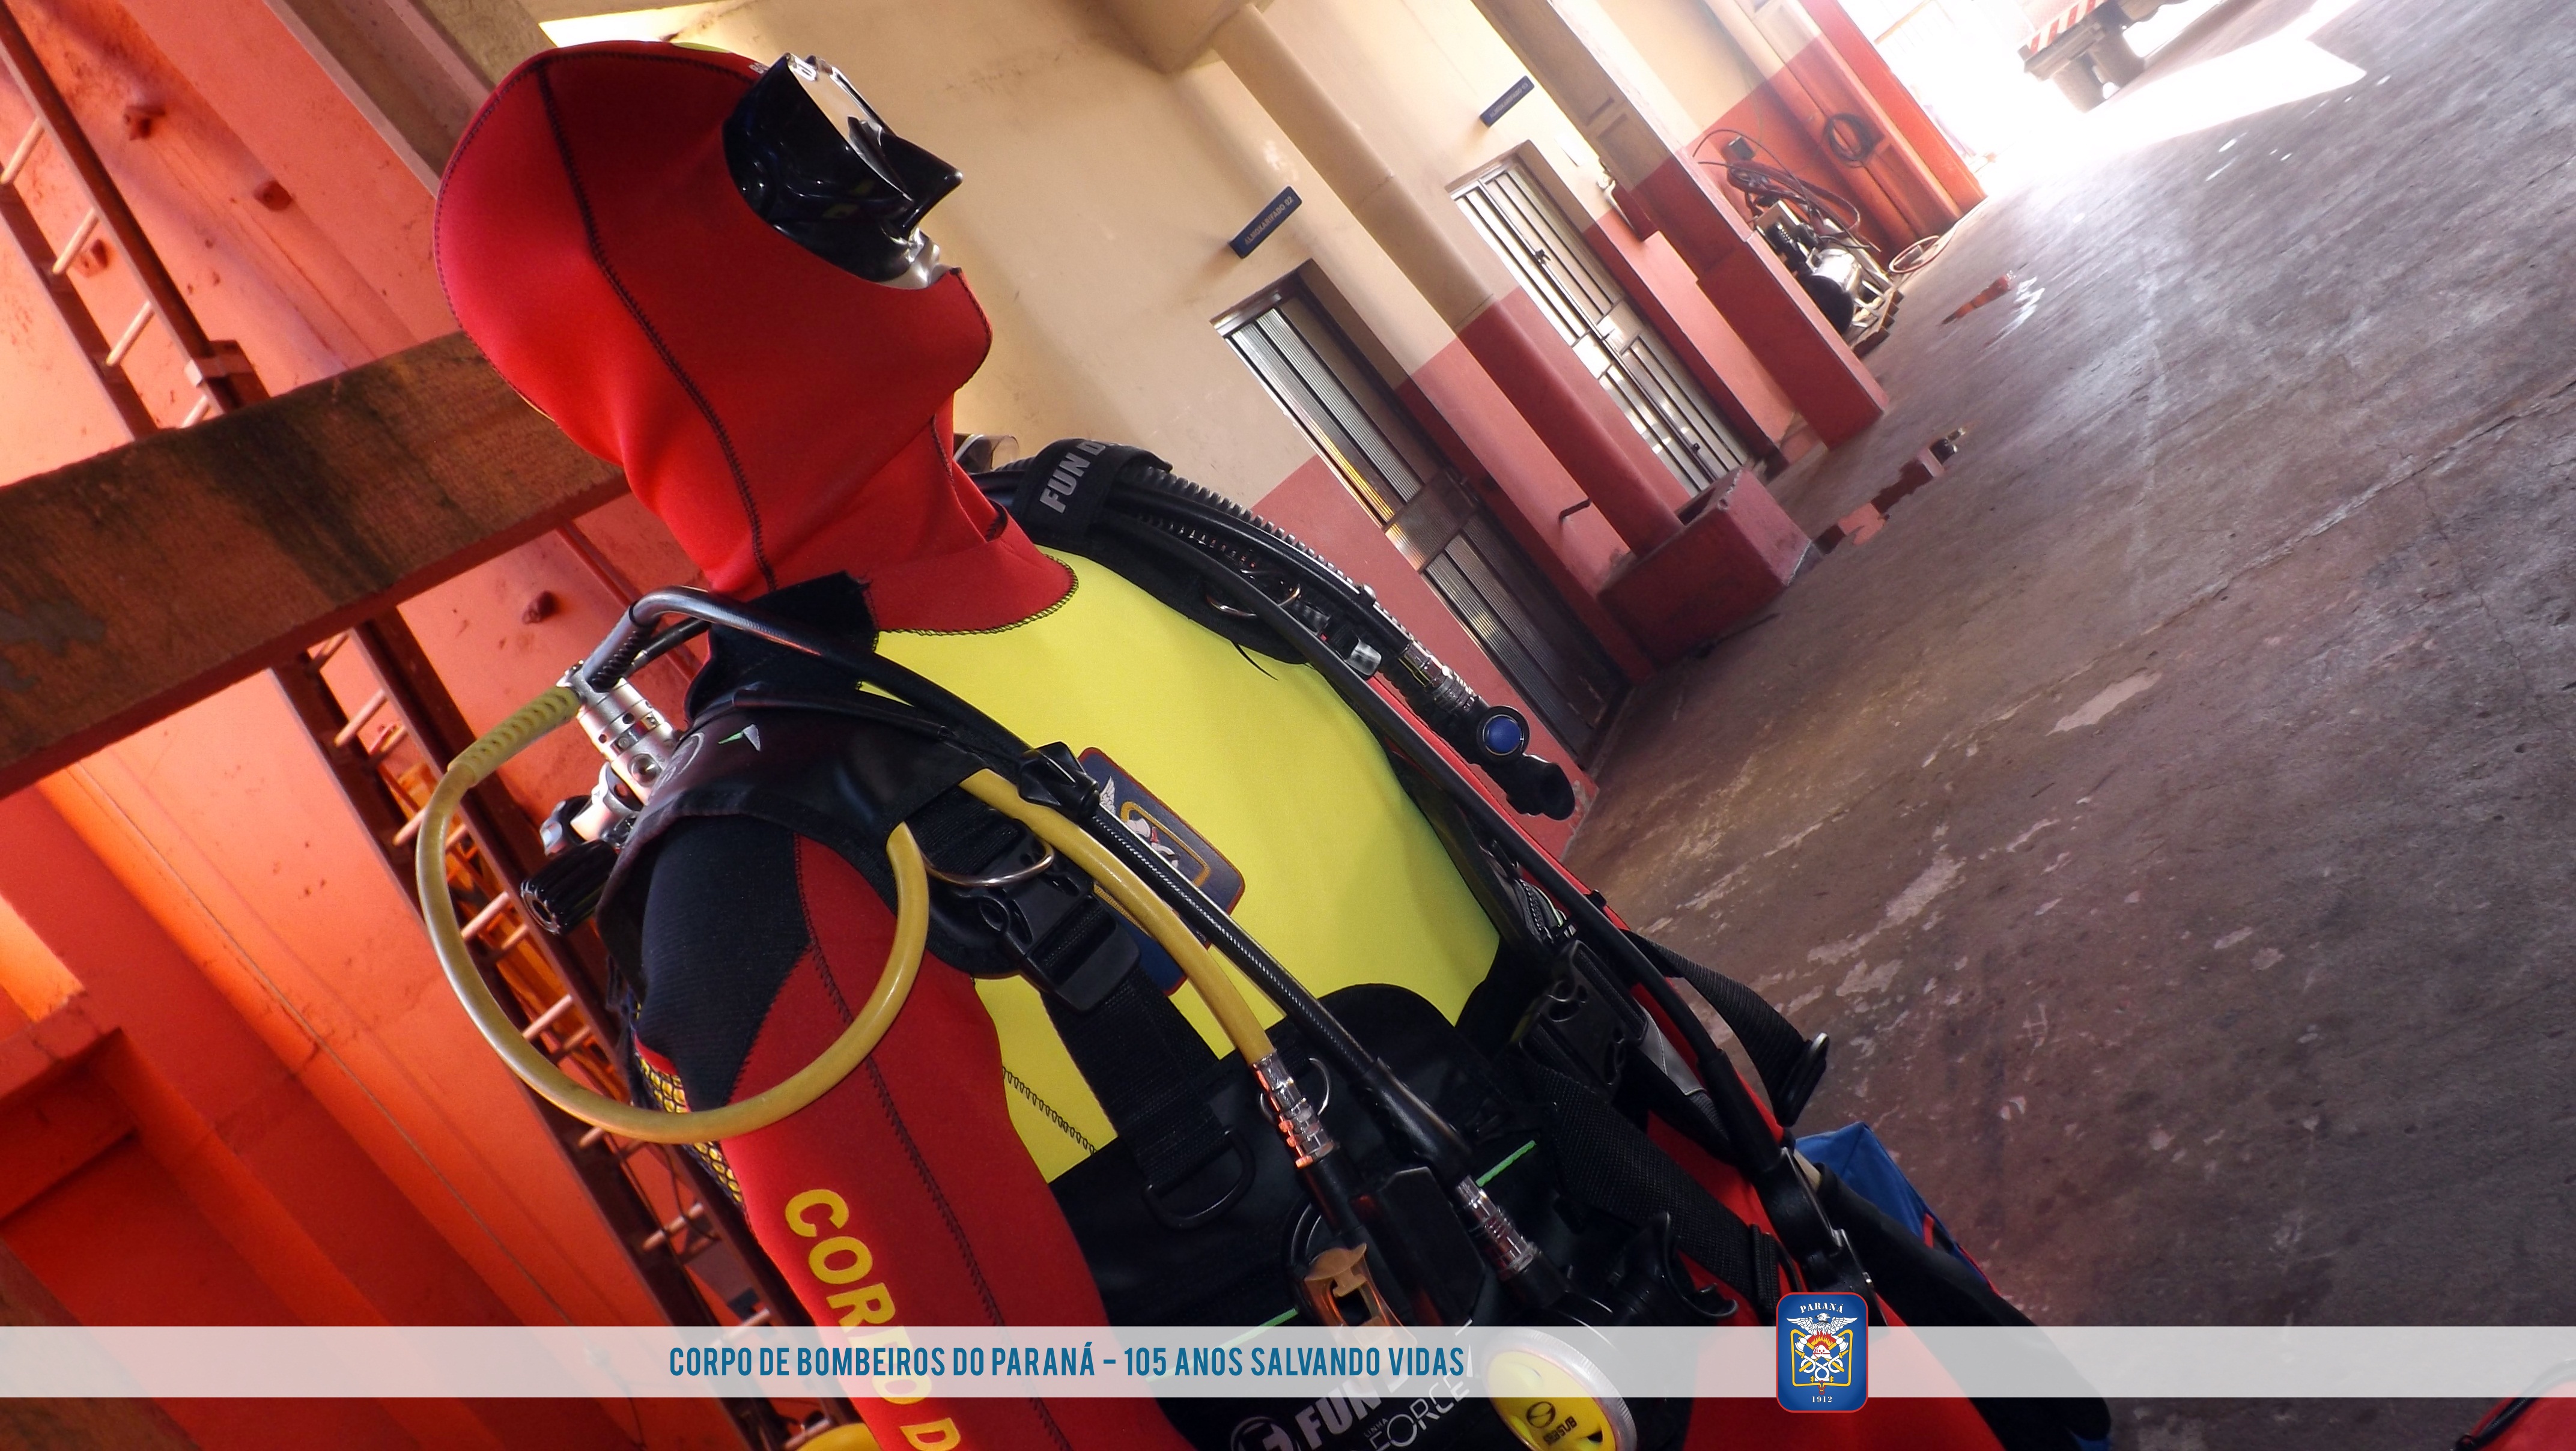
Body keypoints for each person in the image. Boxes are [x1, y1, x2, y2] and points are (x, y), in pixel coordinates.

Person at [436, 39, 2059, 1451]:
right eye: (820, 158)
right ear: (659, 299)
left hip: (1768, 1284)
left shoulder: (1133, 540)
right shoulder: (772, 876)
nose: (912, 185)